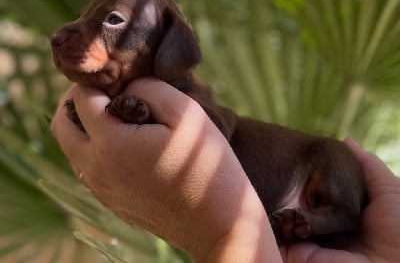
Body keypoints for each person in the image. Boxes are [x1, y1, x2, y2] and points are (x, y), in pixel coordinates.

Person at [51, 78, 400, 263]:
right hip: (289, 225)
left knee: (336, 153)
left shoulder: (191, 94)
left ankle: (333, 215)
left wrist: (216, 235)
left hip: (309, 179)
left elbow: (213, 130)